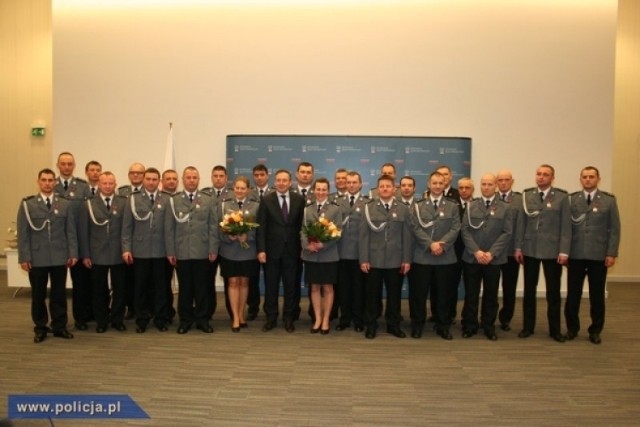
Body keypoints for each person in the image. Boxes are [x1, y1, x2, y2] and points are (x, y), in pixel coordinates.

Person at [17, 168, 78, 343]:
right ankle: (41, 327)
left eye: (51, 180)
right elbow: (23, 233)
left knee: (59, 294)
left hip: (60, 256)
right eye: (44, 180)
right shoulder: (28, 204)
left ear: (55, 183)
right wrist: (24, 257)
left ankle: (59, 326)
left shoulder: (64, 204)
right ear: (38, 182)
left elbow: (70, 231)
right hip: (37, 257)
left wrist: (73, 252)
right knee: (38, 294)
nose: (47, 183)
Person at [564, 166, 621, 344]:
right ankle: (572, 328)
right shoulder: (572, 199)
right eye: (585, 177)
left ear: (598, 179)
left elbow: (614, 230)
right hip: (576, 254)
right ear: (580, 180)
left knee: (597, 295)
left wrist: (611, 253)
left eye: (591, 177)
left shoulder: (608, 201)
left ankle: (595, 330)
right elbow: (565, 229)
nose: (588, 180)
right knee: (573, 294)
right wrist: (564, 252)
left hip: (598, 255)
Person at [515, 164, 571, 343]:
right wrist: (518, 247)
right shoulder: (527, 195)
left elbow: (565, 227)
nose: (541, 177)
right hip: (530, 249)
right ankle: (527, 327)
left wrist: (564, 251)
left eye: (545, 175)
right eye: (538, 174)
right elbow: (521, 225)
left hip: (552, 251)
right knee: (529, 291)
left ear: (552, 178)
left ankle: (555, 330)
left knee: (553, 292)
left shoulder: (562, 197)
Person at [165, 166, 219, 334]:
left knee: (202, 288)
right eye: (188, 177)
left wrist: (213, 248)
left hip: (202, 251)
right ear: (183, 179)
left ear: (199, 179)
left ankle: (202, 319)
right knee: (185, 288)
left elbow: (213, 226)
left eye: (194, 177)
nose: (191, 180)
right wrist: (170, 251)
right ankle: (186, 320)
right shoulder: (174, 201)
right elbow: (169, 229)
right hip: (182, 251)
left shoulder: (208, 199)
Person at [408, 171, 460, 340]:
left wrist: (441, 245)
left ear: (445, 185)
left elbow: (455, 228)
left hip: (445, 257)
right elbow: (415, 228)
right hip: (422, 256)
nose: (437, 186)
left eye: (441, 183)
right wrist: (430, 244)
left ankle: (443, 325)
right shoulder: (418, 205)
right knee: (419, 294)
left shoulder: (453, 205)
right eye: (434, 183)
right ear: (429, 185)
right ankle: (417, 325)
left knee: (443, 294)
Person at [460, 174, 513, 341]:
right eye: (484, 184)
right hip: (472, 258)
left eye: (490, 184)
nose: (487, 187)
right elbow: (465, 230)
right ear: (480, 186)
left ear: (495, 186)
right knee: (471, 294)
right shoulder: (471, 206)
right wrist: (476, 251)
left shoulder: (505, 207)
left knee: (491, 295)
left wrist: (491, 253)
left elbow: (507, 232)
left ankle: (489, 326)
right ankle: (470, 326)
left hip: (493, 259)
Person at [359, 174, 412, 339]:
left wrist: (406, 259)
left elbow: (407, 236)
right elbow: (363, 236)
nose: (384, 189)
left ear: (394, 189)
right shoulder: (369, 207)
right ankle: (371, 325)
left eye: (388, 186)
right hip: (374, 259)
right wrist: (363, 259)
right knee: (372, 295)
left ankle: (393, 325)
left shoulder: (403, 208)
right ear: (377, 189)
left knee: (394, 294)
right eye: (381, 186)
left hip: (396, 259)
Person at [256, 169, 306, 333]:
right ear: (275, 182)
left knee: (291, 286)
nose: (282, 183)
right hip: (271, 251)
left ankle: (289, 318)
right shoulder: (266, 199)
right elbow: (261, 227)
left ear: (290, 182)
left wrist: (303, 249)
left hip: (293, 251)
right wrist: (261, 249)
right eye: (279, 180)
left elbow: (302, 226)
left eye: (285, 180)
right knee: (271, 286)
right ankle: (271, 318)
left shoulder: (299, 199)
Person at [121, 167, 170, 333]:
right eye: (148, 179)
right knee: (140, 288)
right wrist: (126, 248)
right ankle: (142, 319)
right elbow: (127, 227)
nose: (151, 182)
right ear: (143, 180)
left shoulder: (166, 199)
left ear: (159, 181)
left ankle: (160, 319)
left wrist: (171, 251)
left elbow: (170, 228)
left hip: (161, 251)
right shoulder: (133, 200)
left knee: (161, 288)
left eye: (155, 179)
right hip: (140, 251)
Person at [79, 172, 128, 333]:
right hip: (97, 253)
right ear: (98, 184)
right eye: (104, 183)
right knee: (99, 289)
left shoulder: (123, 202)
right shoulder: (89, 204)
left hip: (118, 253)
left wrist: (127, 250)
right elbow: (84, 232)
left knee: (120, 289)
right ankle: (101, 320)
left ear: (115, 184)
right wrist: (85, 254)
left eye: (110, 183)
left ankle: (117, 319)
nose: (107, 186)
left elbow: (127, 229)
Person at [54, 152, 92, 331]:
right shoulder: (50, 185)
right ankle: (58, 321)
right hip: (55, 244)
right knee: (57, 287)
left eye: (70, 164)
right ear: (58, 165)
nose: (67, 167)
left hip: (76, 242)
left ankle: (80, 317)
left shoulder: (83, 187)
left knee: (80, 285)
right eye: (63, 164)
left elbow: (87, 219)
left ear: (74, 165)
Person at [218, 176, 260, 332]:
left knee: (244, 283)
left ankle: (242, 314)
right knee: (233, 283)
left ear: (248, 190)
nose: (240, 191)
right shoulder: (224, 205)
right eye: (237, 188)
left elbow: (260, 228)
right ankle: (235, 317)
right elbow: (218, 226)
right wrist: (229, 236)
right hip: (229, 251)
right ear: (233, 188)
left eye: (243, 188)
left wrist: (247, 236)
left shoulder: (256, 206)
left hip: (248, 251)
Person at [301, 178, 343, 334]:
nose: (320, 192)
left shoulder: (335, 209)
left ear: (328, 190)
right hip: (311, 255)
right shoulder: (307, 209)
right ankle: (317, 319)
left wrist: (322, 245)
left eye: (324, 189)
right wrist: (307, 245)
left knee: (328, 288)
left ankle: (326, 320)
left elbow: (338, 232)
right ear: (314, 190)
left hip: (328, 255)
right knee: (314, 288)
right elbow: (303, 230)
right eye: (318, 189)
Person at [335, 171, 368, 332]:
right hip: (340, 253)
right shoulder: (337, 202)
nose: (352, 185)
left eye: (355, 182)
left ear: (361, 184)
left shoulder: (368, 203)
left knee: (358, 288)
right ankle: (344, 318)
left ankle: (358, 319)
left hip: (359, 253)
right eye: (349, 182)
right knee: (343, 288)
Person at [118, 162, 146, 320]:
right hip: (127, 243)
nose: (136, 175)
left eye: (139, 173)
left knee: (143, 281)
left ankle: (142, 308)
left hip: (144, 245)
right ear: (129, 175)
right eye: (133, 173)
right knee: (128, 279)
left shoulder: (150, 193)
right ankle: (131, 308)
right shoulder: (122, 192)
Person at [495, 169, 522, 331]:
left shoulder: (519, 200)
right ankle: (489, 315)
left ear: (512, 181)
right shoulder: (492, 199)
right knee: (491, 287)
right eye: (500, 180)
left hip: (511, 251)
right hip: (493, 251)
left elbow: (520, 226)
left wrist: (519, 247)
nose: (503, 183)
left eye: (506, 180)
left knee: (509, 287)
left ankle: (506, 318)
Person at [247, 164, 272, 320]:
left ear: (267, 175)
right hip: (251, 244)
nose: (259, 177)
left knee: (271, 279)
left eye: (262, 174)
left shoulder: (275, 193)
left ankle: (270, 308)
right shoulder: (248, 194)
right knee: (252, 278)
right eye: (256, 175)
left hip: (271, 244)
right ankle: (253, 307)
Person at [161, 169, 179, 322]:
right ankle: (166, 312)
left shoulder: (181, 199)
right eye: (168, 179)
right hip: (163, 249)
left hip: (183, 248)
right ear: (162, 181)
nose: (172, 181)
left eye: (174, 179)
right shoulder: (159, 199)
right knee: (163, 283)